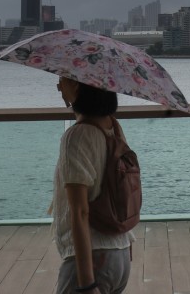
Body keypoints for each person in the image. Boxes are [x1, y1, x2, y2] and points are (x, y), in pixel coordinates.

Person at [52, 76, 133, 294]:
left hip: (93, 259)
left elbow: (80, 211)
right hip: (120, 254)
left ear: (77, 84)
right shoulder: (114, 128)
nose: (58, 86)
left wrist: (86, 283)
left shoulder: (77, 136)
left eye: (61, 80)